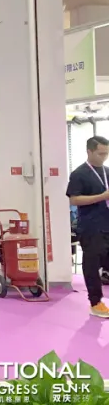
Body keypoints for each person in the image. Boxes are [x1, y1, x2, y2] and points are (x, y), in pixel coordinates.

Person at [66, 136, 109, 319]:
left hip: (107, 224)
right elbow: (74, 200)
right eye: (100, 153)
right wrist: (102, 196)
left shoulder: (107, 171)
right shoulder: (79, 174)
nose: (104, 157)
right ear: (89, 151)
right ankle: (96, 302)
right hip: (91, 227)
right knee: (92, 265)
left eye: (106, 153)